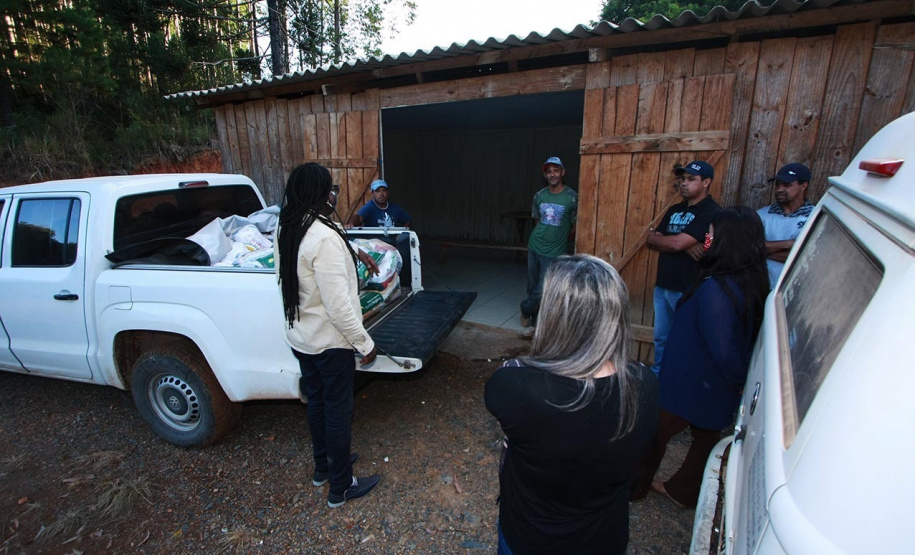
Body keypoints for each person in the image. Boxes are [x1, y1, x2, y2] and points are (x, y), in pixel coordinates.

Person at [486, 254, 659, 555]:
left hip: (529, 536)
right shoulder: (645, 385)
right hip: (603, 538)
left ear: (554, 316)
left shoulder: (513, 386)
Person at [630, 206, 770, 508]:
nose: (705, 236)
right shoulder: (745, 280)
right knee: (705, 437)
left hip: (692, 382)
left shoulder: (718, 292)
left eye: (710, 232)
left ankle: (632, 486)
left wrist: (740, 379)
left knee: (654, 432)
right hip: (708, 383)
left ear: (726, 240)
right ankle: (683, 490)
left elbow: (725, 349)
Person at [275, 162, 381, 508]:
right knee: (338, 411)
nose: (334, 194)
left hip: (303, 338)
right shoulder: (323, 237)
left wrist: (355, 250)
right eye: (330, 189)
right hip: (330, 343)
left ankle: (324, 466)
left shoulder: (289, 226)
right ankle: (341, 486)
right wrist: (365, 343)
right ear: (321, 194)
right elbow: (338, 307)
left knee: (317, 403)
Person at [646, 160, 720, 375]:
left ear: (706, 182)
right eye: (682, 179)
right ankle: (659, 376)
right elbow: (651, 240)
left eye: (691, 179)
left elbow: (688, 243)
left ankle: (680, 379)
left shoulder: (711, 211)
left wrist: (677, 242)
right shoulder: (674, 210)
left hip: (688, 287)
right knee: (661, 337)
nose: (684, 184)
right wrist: (683, 244)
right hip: (663, 284)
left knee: (687, 338)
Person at [519, 156, 578, 337]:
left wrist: (559, 239)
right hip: (535, 246)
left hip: (554, 251)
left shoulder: (571, 197)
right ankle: (536, 324)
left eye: (556, 170)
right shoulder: (540, 195)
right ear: (545, 174)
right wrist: (544, 236)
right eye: (549, 171)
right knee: (532, 284)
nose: (553, 174)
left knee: (543, 289)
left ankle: (525, 309)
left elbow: (575, 225)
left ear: (563, 173)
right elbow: (538, 220)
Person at [757, 163, 815, 289]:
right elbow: (746, 248)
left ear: (803, 186)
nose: (779, 189)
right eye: (778, 185)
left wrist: (761, 250)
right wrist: (789, 244)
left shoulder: (814, 217)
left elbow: (809, 257)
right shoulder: (762, 215)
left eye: (787, 185)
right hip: (761, 287)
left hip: (797, 290)